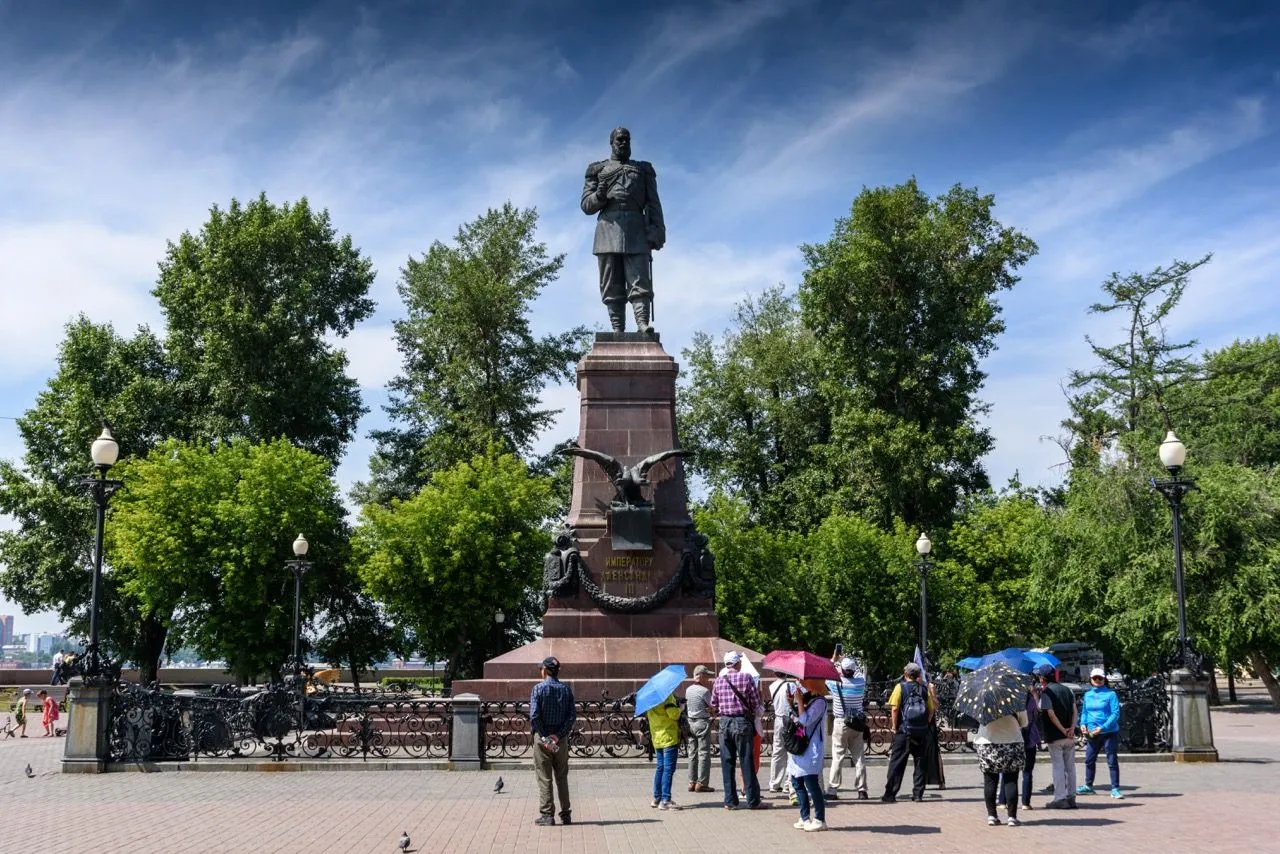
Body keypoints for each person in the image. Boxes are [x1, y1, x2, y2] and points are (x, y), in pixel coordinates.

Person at [580, 127, 665, 333]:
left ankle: (643, 324)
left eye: (627, 140)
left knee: (640, 280)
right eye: (619, 140)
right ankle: (618, 329)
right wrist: (600, 195)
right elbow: (586, 206)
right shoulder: (597, 170)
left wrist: (657, 230)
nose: (623, 143)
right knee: (611, 283)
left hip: (637, 230)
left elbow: (654, 204)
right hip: (608, 230)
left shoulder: (643, 170)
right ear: (612, 142)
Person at [710, 651, 770, 811]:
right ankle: (753, 801)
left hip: (724, 723)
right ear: (737, 663)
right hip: (742, 723)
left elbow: (713, 704)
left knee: (727, 762)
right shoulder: (746, 678)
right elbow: (755, 703)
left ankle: (730, 801)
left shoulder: (719, 680)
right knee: (746, 761)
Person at [530, 656, 576, 826]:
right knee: (562, 777)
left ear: (545, 670)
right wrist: (558, 735)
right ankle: (566, 814)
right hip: (561, 740)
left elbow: (534, 716)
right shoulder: (566, 689)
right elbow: (571, 716)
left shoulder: (538, 689)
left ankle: (547, 815)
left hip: (542, 741)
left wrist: (544, 736)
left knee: (544, 777)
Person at [881, 662, 935, 802]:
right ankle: (918, 794)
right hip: (921, 732)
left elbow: (894, 708)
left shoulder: (900, 687)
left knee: (897, 763)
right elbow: (931, 709)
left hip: (904, 731)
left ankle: (890, 794)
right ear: (918, 675)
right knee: (920, 763)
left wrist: (894, 726)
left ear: (906, 674)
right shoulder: (924, 689)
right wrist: (925, 724)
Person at [976, 700, 1029, 827]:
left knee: (990, 780)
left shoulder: (983, 701)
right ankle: (1012, 817)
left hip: (987, 743)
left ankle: (992, 816)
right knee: (1011, 780)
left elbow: (977, 719)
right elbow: (1024, 722)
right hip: (1011, 741)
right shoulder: (1014, 699)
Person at [1036, 664, 1079, 809]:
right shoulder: (1068, 690)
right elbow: (1074, 711)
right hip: (1069, 736)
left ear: (1043, 678)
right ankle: (1071, 796)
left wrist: (1062, 730)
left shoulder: (1047, 692)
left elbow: (1050, 713)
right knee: (1070, 767)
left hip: (1055, 736)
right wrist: (1071, 729)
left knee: (1058, 767)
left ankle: (1060, 797)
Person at [825, 656, 868, 801]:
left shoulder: (835, 684)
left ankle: (832, 789)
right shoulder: (860, 683)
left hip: (840, 722)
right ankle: (862, 790)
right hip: (857, 724)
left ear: (842, 670)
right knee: (859, 757)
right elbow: (859, 673)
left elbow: (827, 672)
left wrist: (835, 660)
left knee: (838, 757)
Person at [788, 684, 829, 831]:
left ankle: (819, 819)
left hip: (811, 748)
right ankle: (804, 817)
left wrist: (799, 701)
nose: (801, 683)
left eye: (804, 681)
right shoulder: (808, 699)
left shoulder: (820, 702)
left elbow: (805, 720)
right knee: (796, 782)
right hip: (800, 746)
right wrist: (791, 702)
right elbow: (798, 718)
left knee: (811, 784)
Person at [1078, 667, 1123, 799]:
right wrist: (1082, 724)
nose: (1097, 680)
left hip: (1109, 732)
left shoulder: (1111, 694)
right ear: (1091, 679)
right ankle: (1088, 786)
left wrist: (1103, 728)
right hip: (1093, 732)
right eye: (1095, 678)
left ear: (1104, 679)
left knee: (1112, 760)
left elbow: (1115, 713)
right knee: (1089, 760)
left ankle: (1115, 788)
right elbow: (1085, 712)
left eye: (1100, 678)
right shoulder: (1088, 695)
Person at [999, 685, 1041, 812]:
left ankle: (1002, 801)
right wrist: (1035, 695)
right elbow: (1037, 713)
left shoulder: (1009, 700)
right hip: (1030, 738)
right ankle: (1025, 803)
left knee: (1007, 771)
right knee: (1027, 772)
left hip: (1012, 738)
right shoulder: (1031, 699)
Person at [647, 690, 683, 810]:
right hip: (668, 736)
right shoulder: (667, 697)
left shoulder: (650, 700)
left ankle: (657, 798)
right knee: (668, 769)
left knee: (660, 768)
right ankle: (666, 800)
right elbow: (674, 715)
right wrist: (681, 709)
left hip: (657, 737)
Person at [685, 665, 715, 793]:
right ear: (701, 676)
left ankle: (692, 781)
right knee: (703, 753)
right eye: (707, 675)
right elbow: (712, 707)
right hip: (702, 722)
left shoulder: (688, 689)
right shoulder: (705, 691)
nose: (708, 678)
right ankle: (702, 783)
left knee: (692, 753)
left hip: (690, 723)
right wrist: (712, 710)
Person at [766, 673, 796, 796]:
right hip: (790, 719)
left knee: (777, 751)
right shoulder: (792, 685)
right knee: (791, 752)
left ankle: (774, 783)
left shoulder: (772, 685)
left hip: (778, 719)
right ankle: (788, 784)